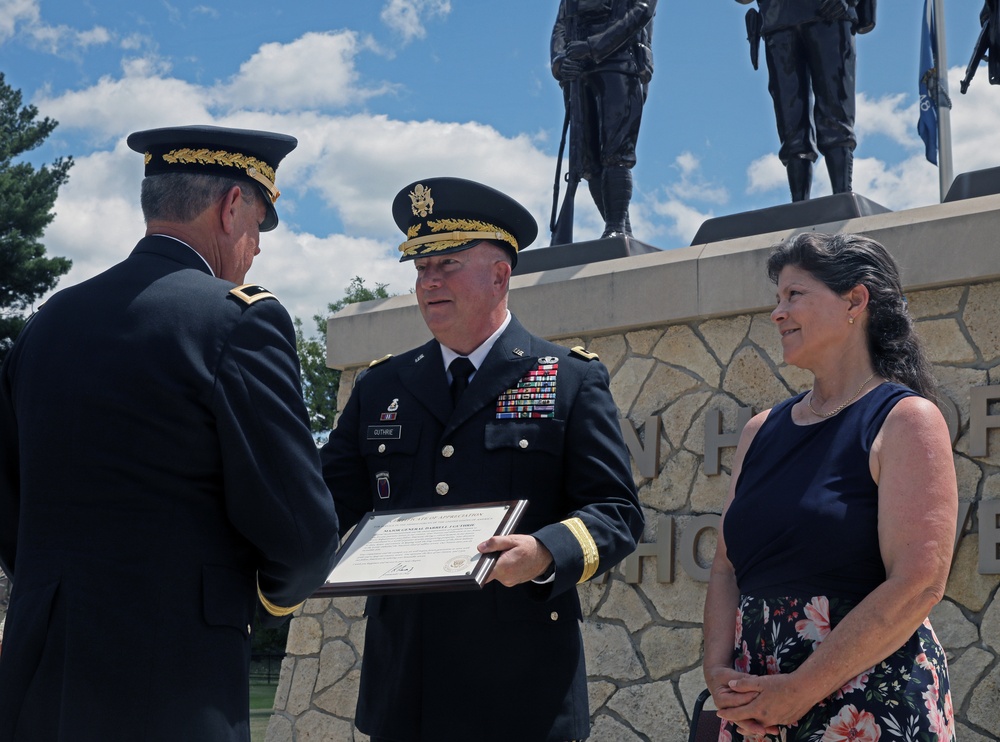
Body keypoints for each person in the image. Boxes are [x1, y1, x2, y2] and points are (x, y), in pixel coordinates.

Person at [0, 125, 341, 741]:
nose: (257, 250)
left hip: (39, 675)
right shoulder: (238, 320)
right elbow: (301, 532)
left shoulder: (47, 324)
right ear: (231, 207)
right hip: (172, 678)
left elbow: (10, 504)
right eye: (260, 225)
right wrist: (258, 599)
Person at [321, 176, 644, 741]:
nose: (429, 281)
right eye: (421, 268)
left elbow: (616, 511)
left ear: (500, 274)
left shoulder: (567, 378)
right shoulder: (382, 385)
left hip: (521, 694)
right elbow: (323, 502)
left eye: (447, 263)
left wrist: (546, 550)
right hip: (406, 691)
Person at [703, 232, 957, 740]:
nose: (777, 313)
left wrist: (800, 689)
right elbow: (727, 565)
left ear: (855, 301)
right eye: (777, 298)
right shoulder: (759, 430)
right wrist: (717, 675)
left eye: (794, 295)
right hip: (756, 709)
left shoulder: (906, 420)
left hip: (868, 703)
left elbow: (918, 583)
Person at [736, 0, 876, 202]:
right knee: (790, 116)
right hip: (778, 19)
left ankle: (842, 195)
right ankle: (800, 204)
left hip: (829, 12)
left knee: (835, 107)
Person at [551, 0, 656, 239]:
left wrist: (593, 46)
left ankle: (616, 227)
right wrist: (559, 62)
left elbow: (641, 11)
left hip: (621, 64)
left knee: (616, 153)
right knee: (588, 161)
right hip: (578, 72)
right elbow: (561, 24)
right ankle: (619, 227)